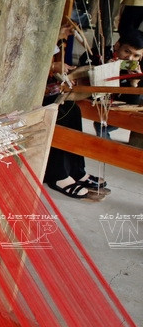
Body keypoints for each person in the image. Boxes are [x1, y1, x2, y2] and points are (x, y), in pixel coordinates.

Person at [41, 19, 107, 200]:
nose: (68, 34)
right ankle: (58, 174)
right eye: (65, 31)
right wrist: (53, 66)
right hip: (24, 95)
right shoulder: (38, 36)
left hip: (43, 88)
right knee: (62, 111)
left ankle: (77, 170)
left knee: (72, 109)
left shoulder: (54, 43)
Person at [78, 30, 143, 138]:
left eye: (136, 56)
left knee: (105, 126)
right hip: (90, 100)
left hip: (113, 107)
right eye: (127, 51)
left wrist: (134, 84)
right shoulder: (96, 54)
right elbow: (80, 80)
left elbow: (131, 107)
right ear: (117, 45)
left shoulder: (136, 68)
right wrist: (104, 70)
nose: (130, 59)